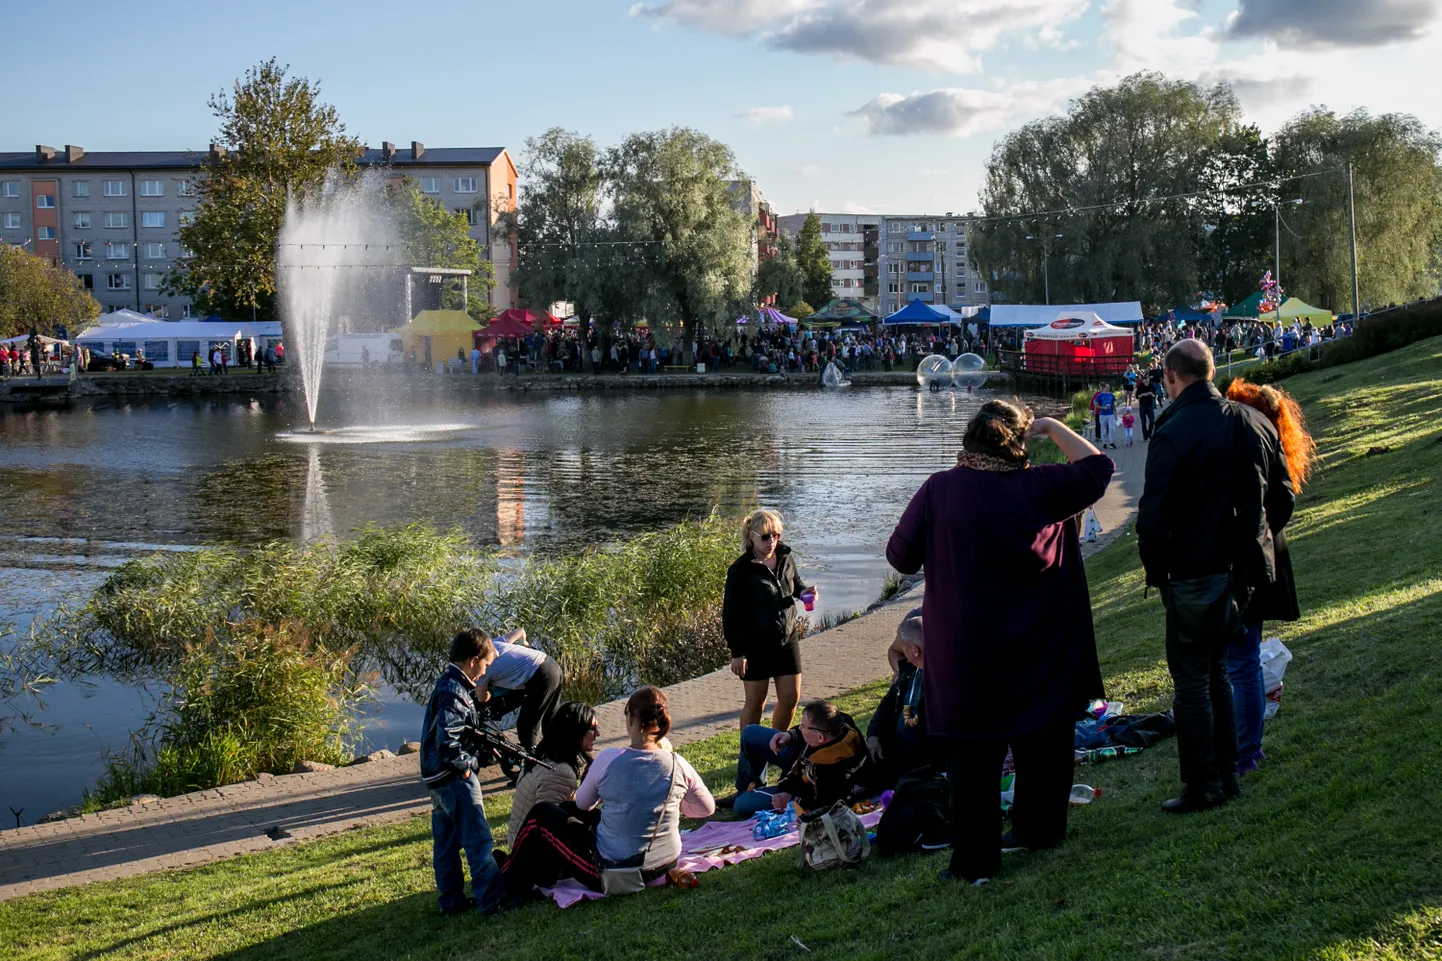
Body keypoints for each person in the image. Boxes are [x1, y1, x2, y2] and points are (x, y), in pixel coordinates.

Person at [886, 399, 1113, 885]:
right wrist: (1052, 428)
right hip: (1038, 646)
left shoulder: (939, 491)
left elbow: (900, 557)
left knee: (972, 760)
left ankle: (976, 860)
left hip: (966, 652)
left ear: (968, 441)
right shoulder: (1042, 487)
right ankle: (1040, 831)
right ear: (1019, 443)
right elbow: (1099, 466)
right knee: (1044, 744)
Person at [1137, 340, 1287, 814]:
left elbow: (1152, 515)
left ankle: (1202, 783)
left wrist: (1159, 572)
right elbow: (1282, 496)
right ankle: (1226, 772)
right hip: (1240, 572)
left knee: (1192, 682)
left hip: (1192, 569)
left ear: (1172, 378)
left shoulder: (1174, 428)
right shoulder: (1254, 421)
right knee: (1219, 671)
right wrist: (1253, 542)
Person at [519, 687, 712, 891]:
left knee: (544, 812)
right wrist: (678, 804)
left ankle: (509, 884)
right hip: (666, 863)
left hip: (616, 872)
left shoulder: (609, 759)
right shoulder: (678, 763)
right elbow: (706, 808)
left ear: (632, 719)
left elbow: (583, 804)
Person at [1224, 378, 1313, 775]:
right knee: (1244, 658)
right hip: (1263, 554)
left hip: (1250, 559)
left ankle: (1246, 749)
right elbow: (1283, 498)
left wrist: (1251, 537)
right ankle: (1248, 745)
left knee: (1240, 661)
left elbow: (1279, 501)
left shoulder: (1248, 440)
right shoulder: (1271, 439)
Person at [419, 628, 507, 916]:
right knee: (478, 839)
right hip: (453, 777)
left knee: (445, 843)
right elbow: (448, 740)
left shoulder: (449, 684)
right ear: (472, 660)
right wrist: (467, 767)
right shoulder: (454, 692)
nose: (485, 672)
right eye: (485, 664)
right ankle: (491, 900)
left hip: (436, 778)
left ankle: (451, 901)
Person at [722, 509, 816, 732]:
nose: (771, 541)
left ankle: (777, 743)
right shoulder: (740, 570)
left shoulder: (785, 557)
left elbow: (795, 584)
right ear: (751, 536)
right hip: (755, 645)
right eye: (765, 536)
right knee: (756, 704)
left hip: (787, 638)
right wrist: (737, 653)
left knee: (790, 698)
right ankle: (751, 751)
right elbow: (730, 614)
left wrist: (804, 593)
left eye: (775, 535)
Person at [729, 699, 868, 817]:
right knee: (750, 733)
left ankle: (749, 794)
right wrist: (791, 735)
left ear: (820, 737)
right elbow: (830, 716)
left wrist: (790, 799)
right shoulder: (841, 723)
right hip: (796, 760)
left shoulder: (832, 768)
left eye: (803, 727)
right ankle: (747, 787)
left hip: (801, 791)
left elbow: (823, 804)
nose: (800, 728)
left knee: (741, 804)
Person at [863, 613, 934, 791]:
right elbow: (886, 705)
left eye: (903, 648)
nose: (899, 651)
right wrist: (873, 736)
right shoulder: (909, 671)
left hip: (926, 762)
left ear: (914, 650)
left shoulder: (942, 683)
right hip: (896, 753)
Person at [477, 627, 564, 761]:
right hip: (551, 664)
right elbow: (521, 631)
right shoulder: (496, 643)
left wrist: (490, 693)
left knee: (526, 726)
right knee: (550, 719)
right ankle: (556, 758)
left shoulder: (483, 667)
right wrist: (524, 644)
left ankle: (531, 766)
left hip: (541, 676)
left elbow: (482, 698)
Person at [1093, 383, 1117, 449]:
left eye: (1108, 387)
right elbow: (1096, 405)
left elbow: (1113, 404)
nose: (1108, 388)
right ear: (1104, 388)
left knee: (1112, 428)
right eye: (1107, 387)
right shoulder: (1099, 395)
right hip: (1103, 414)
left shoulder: (1111, 395)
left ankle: (1111, 442)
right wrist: (1103, 407)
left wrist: (1115, 413)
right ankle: (1104, 442)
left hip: (1110, 414)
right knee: (1103, 429)